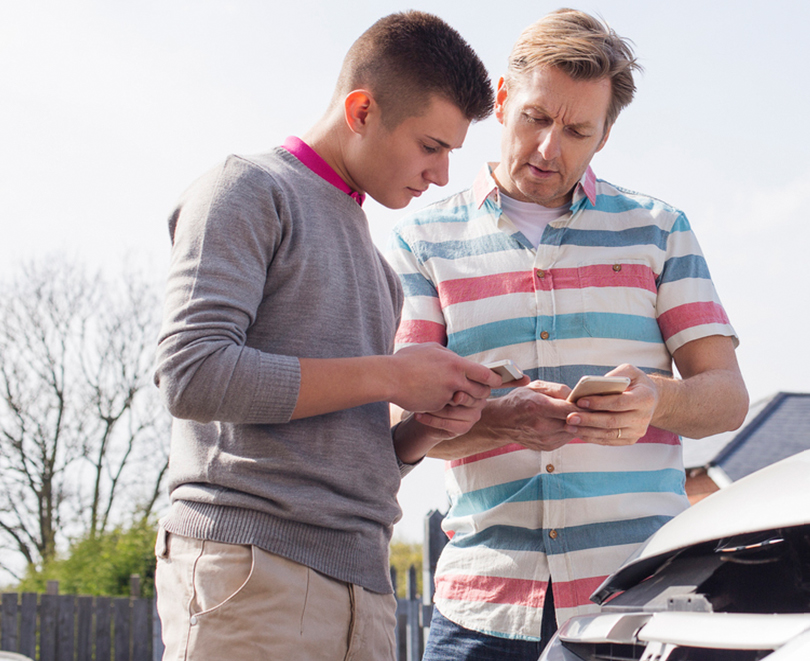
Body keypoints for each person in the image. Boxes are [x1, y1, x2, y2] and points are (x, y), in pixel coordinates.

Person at [384, 9, 749, 658]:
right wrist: (502, 421)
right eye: (536, 118)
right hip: (481, 609)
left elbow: (725, 398)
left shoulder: (660, 230)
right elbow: (399, 423)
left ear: (605, 135)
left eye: (578, 129)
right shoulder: (421, 239)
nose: (550, 148)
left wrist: (657, 401)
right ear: (501, 100)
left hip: (636, 604)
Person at [153, 12, 512, 661]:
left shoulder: (381, 270)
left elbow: (349, 452)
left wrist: (425, 429)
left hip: (365, 588)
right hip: (251, 574)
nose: (441, 173)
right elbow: (192, 373)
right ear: (362, 110)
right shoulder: (247, 189)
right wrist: (394, 375)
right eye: (431, 145)